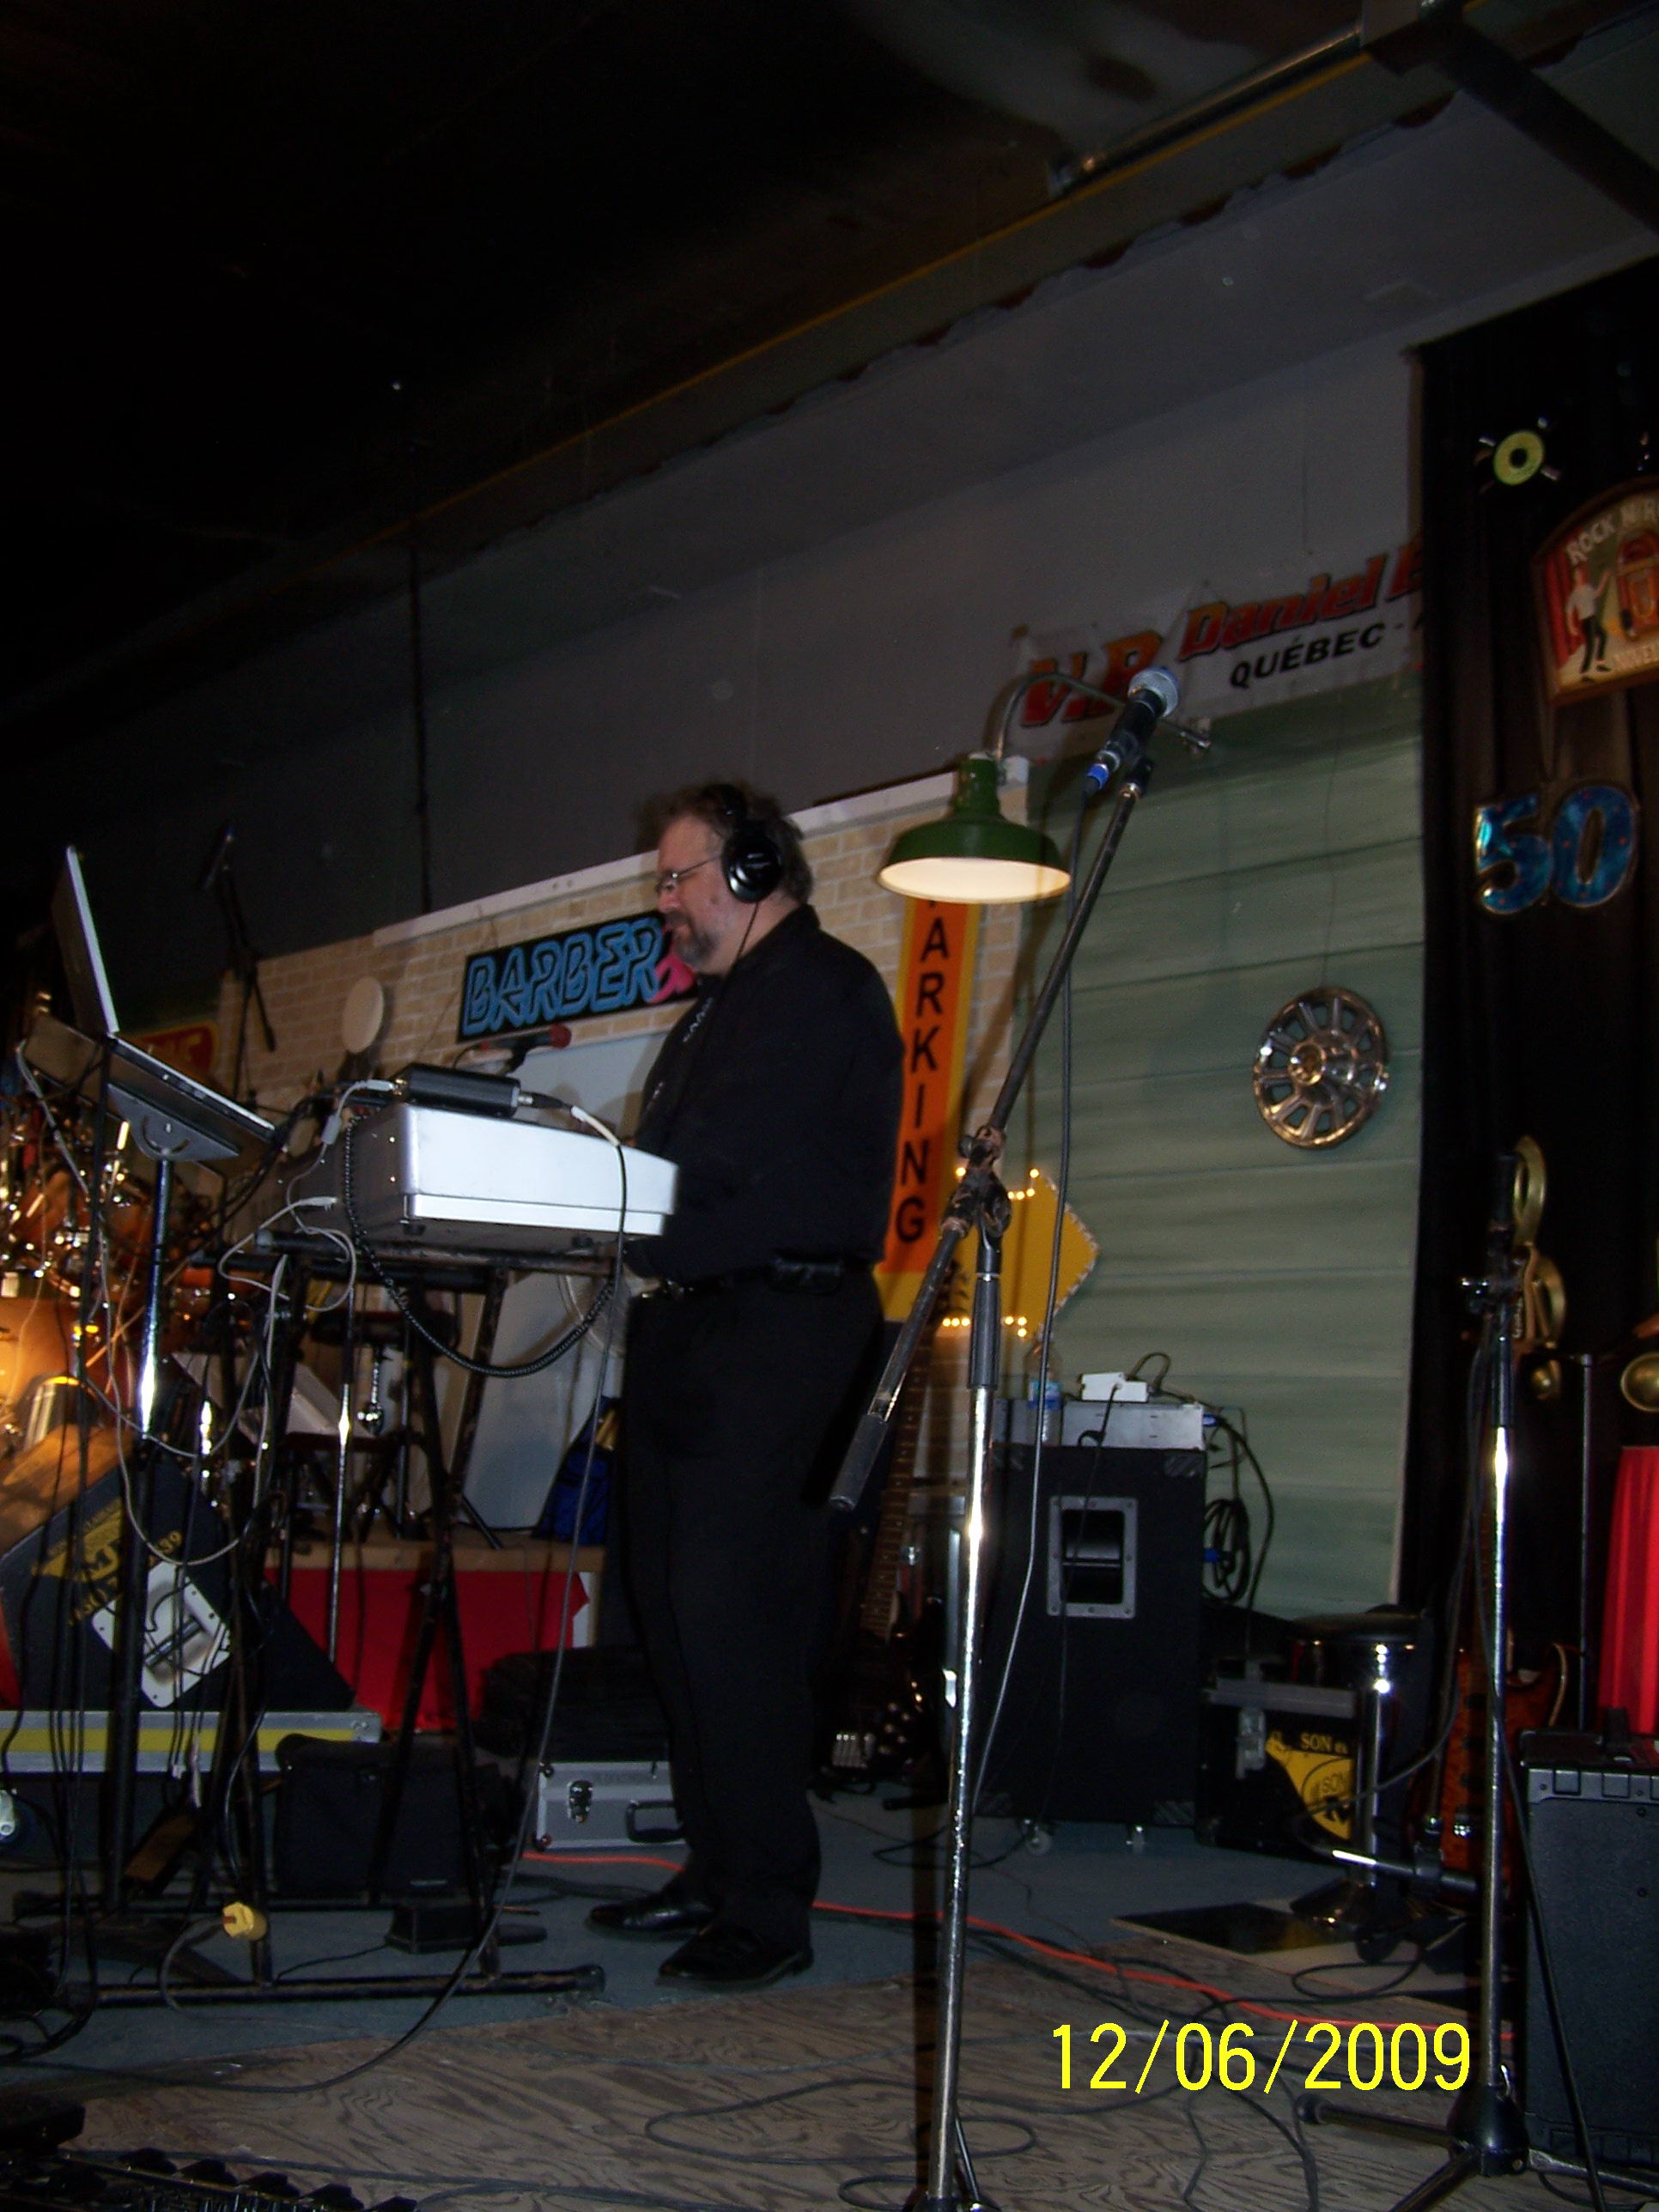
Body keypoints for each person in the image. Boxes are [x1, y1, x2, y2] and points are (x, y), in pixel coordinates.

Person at [587, 781, 902, 1990]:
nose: (664, 901)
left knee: (737, 1617)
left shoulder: (821, 991)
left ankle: (769, 1904)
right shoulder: (714, 1012)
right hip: (693, 1333)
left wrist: (588, 1182)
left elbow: (710, 1162)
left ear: (753, 870)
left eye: (677, 877)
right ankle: (716, 1867)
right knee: (672, 1619)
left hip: (781, 1333)